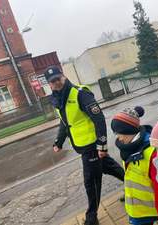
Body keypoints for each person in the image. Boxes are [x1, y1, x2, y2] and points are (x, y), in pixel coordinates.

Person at [44, 66, 124, 225]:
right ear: (49, 84)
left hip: (92, 145)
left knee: (91, 180)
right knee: (110, 167)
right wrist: (58, 142)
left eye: (58, 79)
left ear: (64, 77)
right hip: (83, 145)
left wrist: (102, 145)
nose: (56, 83)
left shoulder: (80, 93)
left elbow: (99, 118)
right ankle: (135, 186)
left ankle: (91, 217)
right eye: (52, 82)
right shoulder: (59, 99)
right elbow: (65, 122)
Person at [111, 106, 158, 225]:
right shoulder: (126, 148)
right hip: (134, 210)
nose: (118, 137)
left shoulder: (152, 153)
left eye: (120, 133)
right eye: (115, 133)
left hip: (150, 213)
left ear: (129, 131)